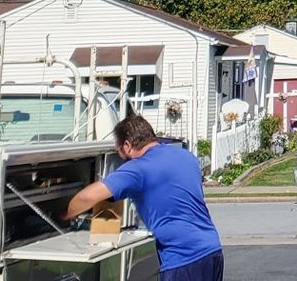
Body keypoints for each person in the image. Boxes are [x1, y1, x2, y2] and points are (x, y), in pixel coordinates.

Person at [63, 113, 223, 281]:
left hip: (182, 258)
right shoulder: (186, 156)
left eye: (119, 151)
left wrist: (65, 215)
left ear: (127, 145)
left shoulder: (138, 168)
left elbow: (87, 197)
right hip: (212, 250)